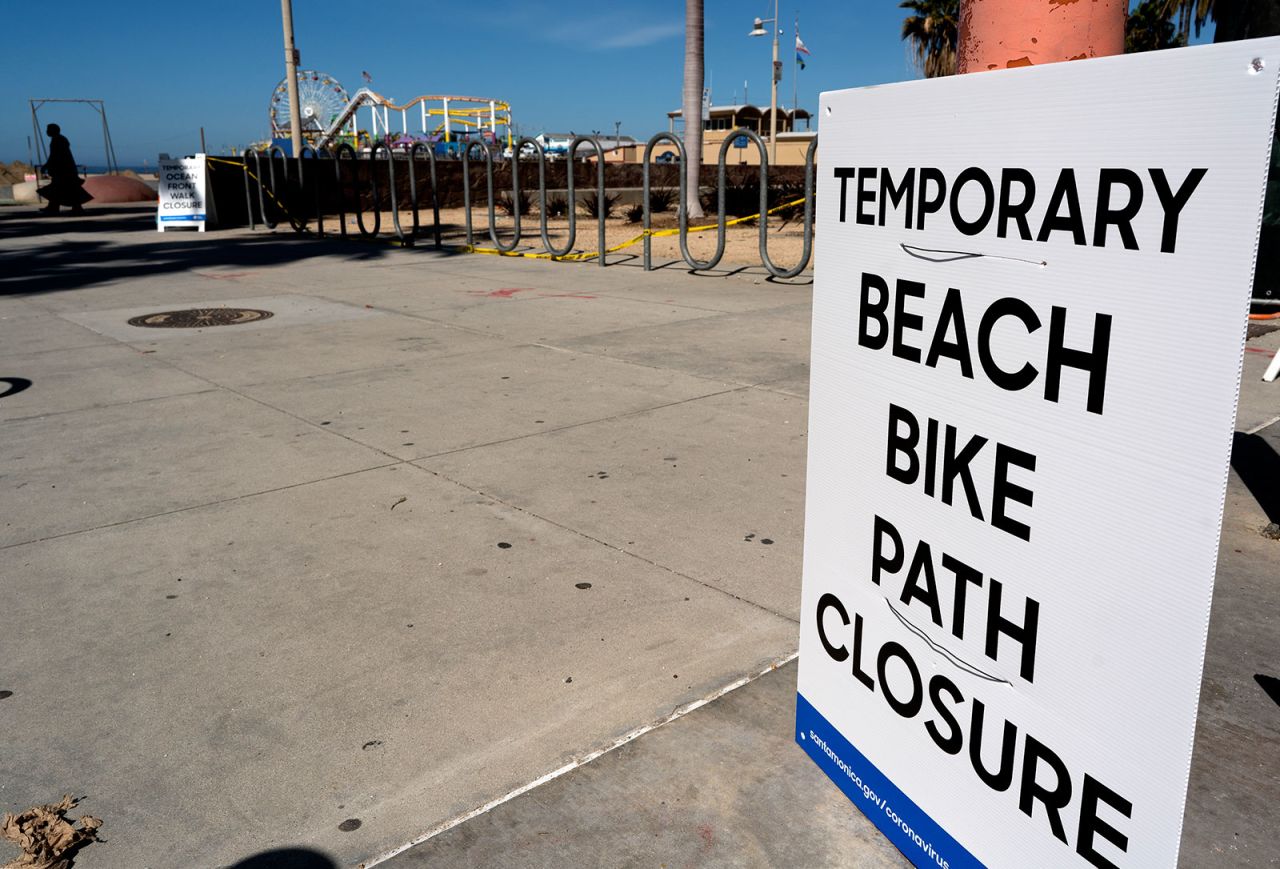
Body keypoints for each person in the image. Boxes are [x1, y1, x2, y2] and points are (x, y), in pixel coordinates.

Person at [38, 124, 92, 215]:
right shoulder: (60, 139)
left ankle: (60, 207)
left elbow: (54, 156)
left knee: (63, 188)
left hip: (63, 170)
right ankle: (57, 206)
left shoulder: (57, 140)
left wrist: (46, 166)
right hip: (66, 169)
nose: (46, 131)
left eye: (48, 129)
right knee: (62, 188)